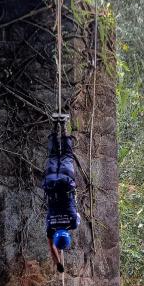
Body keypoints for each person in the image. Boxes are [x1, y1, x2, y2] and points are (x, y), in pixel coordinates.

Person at [43, 114, 80, 272]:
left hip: (66, 181)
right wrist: (58, 263)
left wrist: (59, 263)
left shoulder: (73, 223)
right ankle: (54, 124)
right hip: (51, 181)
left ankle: (63, 124)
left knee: (66, 155)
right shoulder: (50, 227)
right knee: (52, 155)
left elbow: (77, 216)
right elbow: (51, 246)